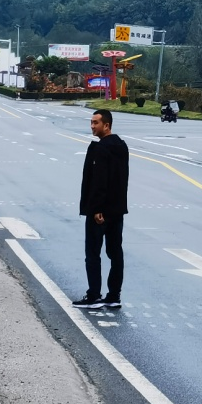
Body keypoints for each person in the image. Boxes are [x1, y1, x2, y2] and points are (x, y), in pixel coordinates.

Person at [73, 108, 129, 310]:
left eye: (96, 123)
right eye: (91, 122)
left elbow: (99, 182)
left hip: (100, 212)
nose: (92, 126)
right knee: (115, 253)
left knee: (93, 254)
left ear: (107, 125)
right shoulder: (122, 146)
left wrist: (96, 209)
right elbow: (121, 181)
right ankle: (114, 295)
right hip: (118, 210)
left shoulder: (101, 148)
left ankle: (94, 296)